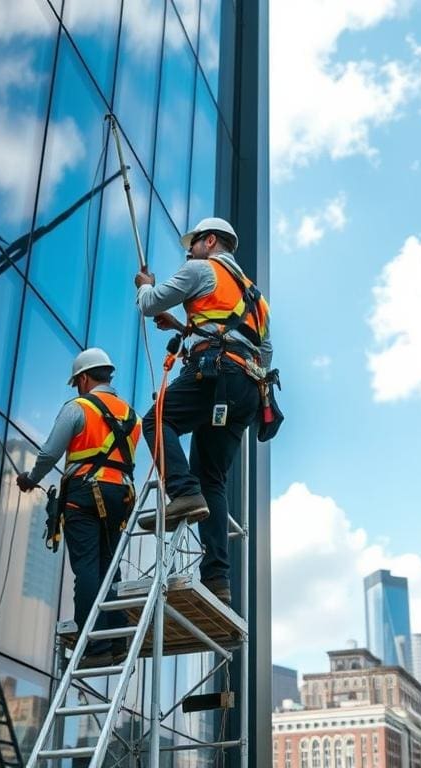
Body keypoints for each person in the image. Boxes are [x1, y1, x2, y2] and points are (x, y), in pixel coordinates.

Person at [134, 217, 271, 604]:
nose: (189, 252)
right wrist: (183, 327)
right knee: (212, 478)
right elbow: (260, 349)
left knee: (156, 420)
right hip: (246, 388)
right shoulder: (257, 298)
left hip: (215, 372)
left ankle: (182, 491)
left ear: (209, 241)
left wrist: (145, 285)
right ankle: (217, 579)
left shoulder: (201, 269)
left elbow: (149, 303)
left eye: (193, 244)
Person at [16, 348, 141, 667]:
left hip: (85, 494)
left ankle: (95, 648)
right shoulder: (132, 416)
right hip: (120, 496)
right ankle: (115, 641)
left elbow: (49, 454)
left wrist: (30, 479)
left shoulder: (78, 408)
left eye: (77, 383)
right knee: (109, 568)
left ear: (84, 378)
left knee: (86, 568)